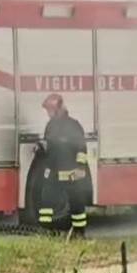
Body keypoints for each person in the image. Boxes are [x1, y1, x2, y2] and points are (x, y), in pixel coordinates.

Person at [36, 93, 90, 238]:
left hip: (71, 173)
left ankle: (79, 233)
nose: (48, 114)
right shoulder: (50, 126)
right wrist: (41, 149)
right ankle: (46, 230)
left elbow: (81, 148)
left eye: (50, 110)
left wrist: (80, 168)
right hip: (53, 172)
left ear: (57, 109)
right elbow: (50, 147)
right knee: (46, 202)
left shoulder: (73, 125)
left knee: (77, 205)